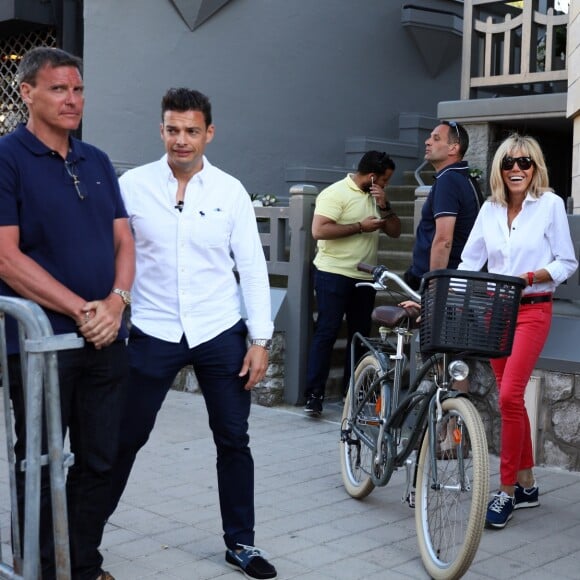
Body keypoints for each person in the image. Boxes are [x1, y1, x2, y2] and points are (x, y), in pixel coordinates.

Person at [107, 88, 277, 580]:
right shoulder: (133, 186)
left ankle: (241, 544)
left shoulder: (230, 191)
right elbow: (116, 253)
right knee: (124, 437)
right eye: (173, 129)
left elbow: (252, 267)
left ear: (209, 133)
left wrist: (260, 340)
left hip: (219, 330)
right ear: (161, 130)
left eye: (192, 130)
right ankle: (83, 537)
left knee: (233, 438)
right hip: (153, 329)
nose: (182, 140)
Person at [0, 47, 135, 580]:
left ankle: (79, 565)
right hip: (39, 344)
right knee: (37, 462)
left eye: (77, 89)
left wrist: (115, 303)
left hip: (106, 339)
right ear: (27, 92)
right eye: (58, 89)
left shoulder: (96, 159)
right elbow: (6, 258)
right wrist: (84, 309)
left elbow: (124, 241)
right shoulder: (7, 158)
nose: (72, 100)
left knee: (101, 459)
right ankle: (34, 567)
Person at [458, 134, 577, 529]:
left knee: (509, 394)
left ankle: (506, 490)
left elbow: (566, 261)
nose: (516, 169)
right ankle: (527, 485)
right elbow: (469, 262)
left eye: (524, 162)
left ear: (535, 166)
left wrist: (531, 277)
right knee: (511, 402)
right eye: (509, 162)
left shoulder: (550, 205)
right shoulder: (490, 209)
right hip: (495, 311)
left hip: (532, 310)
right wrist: (436, 297)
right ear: (499, 168)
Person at [303, 151, 401, 416]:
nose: (386, 185)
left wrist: (385, 205)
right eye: (385, 180)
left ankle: (353, 393)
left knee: (360, 336)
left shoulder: (378, 198)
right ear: (372, 177)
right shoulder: (334, 193)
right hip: (332, 273)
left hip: (364, 278)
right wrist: (360, 226)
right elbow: (319, 230)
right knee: (327, 332)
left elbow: (395, 232)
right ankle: (314, 395)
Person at [404, 121, 482, 291]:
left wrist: (435, 285)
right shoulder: (462, 177)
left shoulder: (449, 180)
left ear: (454, 148)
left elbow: (444, 239)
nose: (427, 141)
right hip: (453, 278)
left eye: (436, 138)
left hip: (444, 282)